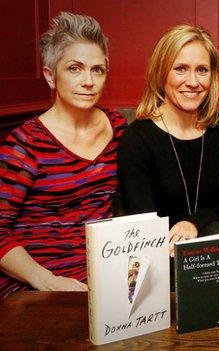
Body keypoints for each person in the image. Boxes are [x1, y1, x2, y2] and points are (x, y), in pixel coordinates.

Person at [0, 12, 125, 299]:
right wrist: (46, 280)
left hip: (105, 275)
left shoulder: (118, 128)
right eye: (74, 68)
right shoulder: (26, 143)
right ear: (50, 76)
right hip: (37, 284)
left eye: (98, 70)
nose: (88, 81)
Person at [118, 25, 219, 258]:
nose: (193, 82)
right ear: (161, 73)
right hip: (159, 254)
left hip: (216, 251)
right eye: (180, 69)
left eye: (202, 70)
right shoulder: (137, 139)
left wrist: (193, 223)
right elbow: (141, 221)